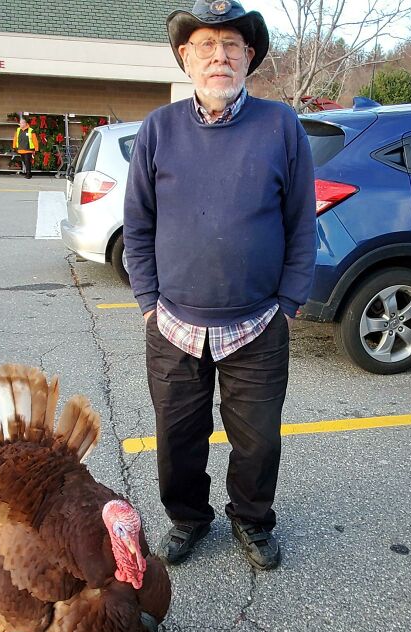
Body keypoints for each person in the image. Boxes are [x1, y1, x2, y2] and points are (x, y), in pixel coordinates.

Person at [124, 0, 316, 571]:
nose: (219, 57)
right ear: (186, 57)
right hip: (174, 322)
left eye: (232, 46)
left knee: (256, 440)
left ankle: (252, 520)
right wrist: (146, 303)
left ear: (249, 57)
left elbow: (300, 221)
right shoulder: (158, 129)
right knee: (177, 439)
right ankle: (188, 517)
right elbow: (138, 223)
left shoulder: (281, 125)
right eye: (206, 45)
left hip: (258, 321)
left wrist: (289, 302)